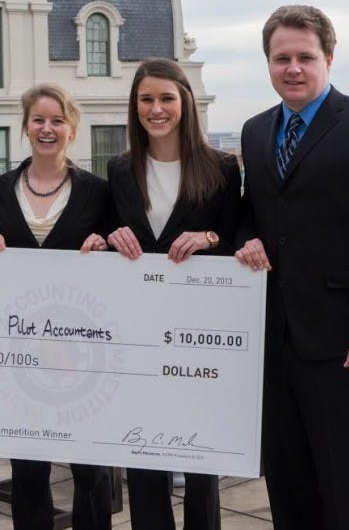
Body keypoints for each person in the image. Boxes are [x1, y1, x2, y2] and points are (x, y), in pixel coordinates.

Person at [234, 5, 349, 529]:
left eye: (304, 57)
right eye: (280, 58)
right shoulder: (254, 131)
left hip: (346, 344)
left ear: (329, 59)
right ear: (268, 64)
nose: (292, 68)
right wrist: (246, 239)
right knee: (290, 485)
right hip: (277, 340)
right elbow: (254, 212)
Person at [106, 58, 241, 530]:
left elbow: (238, 240)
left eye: (166, 98)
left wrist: (207, 239)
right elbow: (109, 235)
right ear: (135, 106)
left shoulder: (223, 167)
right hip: (138, 329)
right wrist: (108, 238)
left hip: (198, 331)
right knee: (142, 451)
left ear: (185, 101)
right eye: (146, 99)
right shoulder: (120, 169)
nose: (156, 108)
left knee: (201, 457)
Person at [0, 83, 114, 530]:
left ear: (72, 129)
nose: (47, 128)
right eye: (38, 119)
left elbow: (121, 252)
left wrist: (107, 244)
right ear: (25, 127)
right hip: (21, 349)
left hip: (83, 348)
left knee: (90, 464)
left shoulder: (99, 191)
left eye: (57, 120)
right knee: (28, 464)